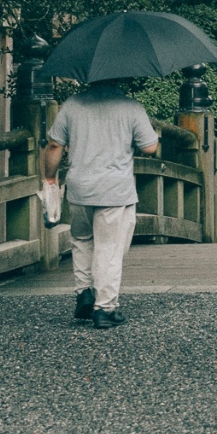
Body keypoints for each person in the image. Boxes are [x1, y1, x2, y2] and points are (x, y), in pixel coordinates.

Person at [43, 77, 160, 329]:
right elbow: (149, 147)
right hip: (115, 190)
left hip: (80, 187)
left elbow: (54, 144)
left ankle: (84, 291)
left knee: (82, 239)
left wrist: (50, 178)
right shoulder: (131, 107)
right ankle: (104, 308)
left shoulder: (72, 105)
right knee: (109, 248)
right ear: (119, 77)